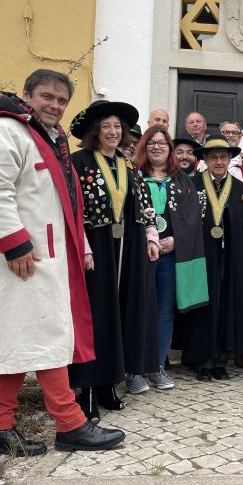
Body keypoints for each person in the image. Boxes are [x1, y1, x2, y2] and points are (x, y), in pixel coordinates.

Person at [0, 69, 124, 454]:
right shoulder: (4, 129)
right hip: (21, 256)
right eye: (47, 96)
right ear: (27, 95)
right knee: (45, 334)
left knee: (18, 338)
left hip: (41, 255)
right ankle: (70, 423)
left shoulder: (43, 136)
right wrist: (14, 244)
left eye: (62, 100)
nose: (55, 105)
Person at [69, 100, 161, 419]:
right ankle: (88, 388)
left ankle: (109, 382)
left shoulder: (128, 166)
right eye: (107, 126)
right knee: (96, 316)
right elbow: (72, 208)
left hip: (129, 249)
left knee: (120, 314)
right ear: (95, 131)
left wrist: (151, 237)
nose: (113, 131)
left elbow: (145, 205)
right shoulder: (79, 162)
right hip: (97, 248)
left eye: (117, 126)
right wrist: (83, 247)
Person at [136, 125, 209, 389]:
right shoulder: (134, 177)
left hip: (170, 258)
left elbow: (192, 221)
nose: (157, 147)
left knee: (164, 311)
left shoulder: (182, 182)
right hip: (139, 256)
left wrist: (175, 241)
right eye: (151, 143)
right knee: (138, 309)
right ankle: (135, 369)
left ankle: (156, 366)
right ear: (144, 147)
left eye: (162, 143)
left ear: (169, 150)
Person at [183, 134, 243, 381]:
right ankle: (202, 359)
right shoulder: (191, 185)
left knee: (226, 306)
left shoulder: (242, 191)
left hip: (230, 259)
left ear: (230, 160)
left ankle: (220, 358)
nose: (219, 162)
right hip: (201, 258)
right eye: (213, 157)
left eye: (223, 157)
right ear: (205, 160)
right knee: (203, 306)